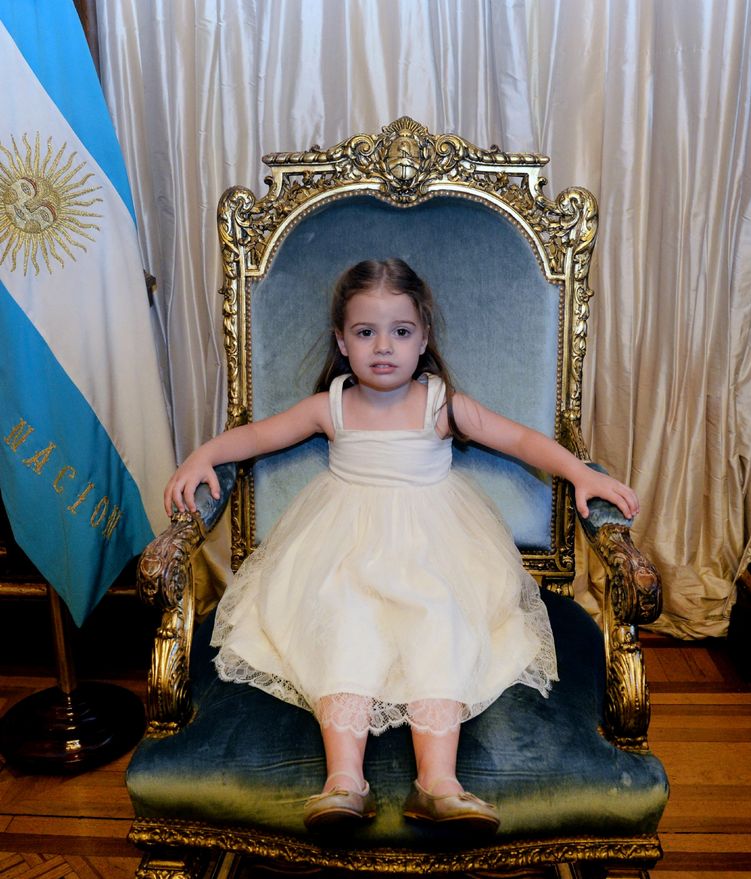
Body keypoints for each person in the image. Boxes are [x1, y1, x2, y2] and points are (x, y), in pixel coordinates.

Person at [165, 258, 640, 835]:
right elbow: (259, 435)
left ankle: (438, 784)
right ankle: (344, 782)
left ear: (424, 339)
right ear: (342, 341)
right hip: (342, 547)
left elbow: (517, 438)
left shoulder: (441, 404)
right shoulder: (330, 406)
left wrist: (578, 473)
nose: (383, 346)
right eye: (365, 332)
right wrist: (202, 456)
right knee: (342, 619)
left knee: (439, 619)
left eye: (401, 331)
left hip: (434, 547)